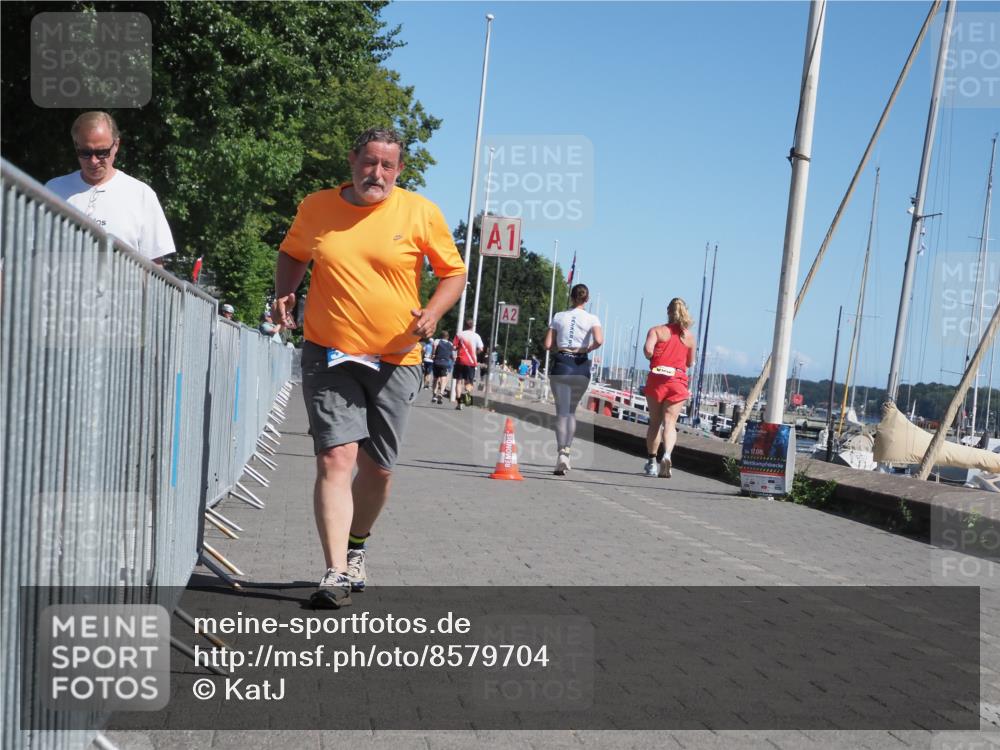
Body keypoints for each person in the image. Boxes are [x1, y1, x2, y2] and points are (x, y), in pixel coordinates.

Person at [273, 127, 466, 608]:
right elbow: (294, 253)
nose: (375, 173)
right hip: (329, 351)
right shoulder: (316, 207)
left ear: (399, 171)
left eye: (387, 165)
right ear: (352, 159)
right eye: (368, 162)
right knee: (335, 459)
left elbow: (453, 272)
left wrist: (434, 311)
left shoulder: (420, 212)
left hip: (397, 357)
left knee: (377, 470)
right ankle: (335, 571)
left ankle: (357, 546)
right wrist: (283, 293)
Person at [45, 111, 175, 264]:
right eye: (85, 153)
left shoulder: (141, 194)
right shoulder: (53, 189)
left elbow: (154, 266)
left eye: (102, 152)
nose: (93, 161)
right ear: (76, 146)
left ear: (116, 145)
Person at [543, 284, 603, 475]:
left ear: (571, 297)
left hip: (562, 364)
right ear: (587, 299)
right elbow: (599, 340)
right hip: (581, 367)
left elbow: (547, 344)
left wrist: (562, 346)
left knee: (561, 412)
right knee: (571, 411)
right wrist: (586, 349)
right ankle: (568, 451)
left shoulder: (559, 316)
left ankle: (561, 453)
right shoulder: (592, 318)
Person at [641, 298, 696, 478]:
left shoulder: (656, 331)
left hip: (657, 380)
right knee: (670, 423)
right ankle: (667, 455)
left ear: (668, 311)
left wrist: (652, 354)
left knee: (655, 422)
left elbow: (648, 350)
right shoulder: (688, 337)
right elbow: (690, 362)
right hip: (677, 381)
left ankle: (651, 463)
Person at [452, 321, 484, 409]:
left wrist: (459, 348)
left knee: (458, 382)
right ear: (472, 326)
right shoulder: (476, 336)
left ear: (465, 325)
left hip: (460, 361)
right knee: (469, 382)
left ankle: (459, 403)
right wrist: (474, 353)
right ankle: (467, 393)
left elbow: (454, 347)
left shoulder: (459, 334)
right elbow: (481, 349)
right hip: (471, 362)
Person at [431, 332, 455, 404]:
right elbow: (453, 355)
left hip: (437, 362)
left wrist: (433, 354)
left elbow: (434, 347)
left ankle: (434, 394)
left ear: (441, 336)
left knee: (435, 379)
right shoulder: (450, 344)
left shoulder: (437, 341)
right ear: (448, 337)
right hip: (445, 363)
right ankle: (441, 393)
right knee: (443, 379)